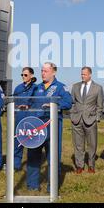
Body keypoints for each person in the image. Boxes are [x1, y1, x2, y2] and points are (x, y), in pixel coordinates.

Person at [27, 62, 73, 191]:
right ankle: (32, 185)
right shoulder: (36, 88)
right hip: (36, 126)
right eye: (42, 70)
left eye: (46, 71)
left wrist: (54, 105)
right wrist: (25, 106)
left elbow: (68, 103)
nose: (43, 73)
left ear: (53, 72)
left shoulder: (60, 87)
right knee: (33, 155)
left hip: (52, 127)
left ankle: (52, 187)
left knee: (53, 156)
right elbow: (29, 102)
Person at [70, 67, 104, 174]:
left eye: (84, 74)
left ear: (90, 75)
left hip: (91, 120)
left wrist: (97, 118)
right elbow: (72, 103)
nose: (82, 76)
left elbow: (100, 105)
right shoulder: (75, 86)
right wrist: (72, 115)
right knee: (78, 144)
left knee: (92, 144)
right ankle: (79, 166)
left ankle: (91, 166)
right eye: (81, 74)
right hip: (76, 120)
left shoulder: (98, 88)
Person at [12, 67, 38, 170]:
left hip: (31, 118)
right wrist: (17, 107)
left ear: (31, 76)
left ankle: (31, 166)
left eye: (25, 75)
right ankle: (16, 165)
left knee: (31, 142)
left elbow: (37, 103)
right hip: (19, 117)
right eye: (22, 75)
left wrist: (29, 107)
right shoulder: (18, 88)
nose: (23, 77)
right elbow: (13, 101)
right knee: (18, 142)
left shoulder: (36, 88)